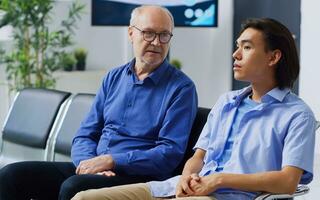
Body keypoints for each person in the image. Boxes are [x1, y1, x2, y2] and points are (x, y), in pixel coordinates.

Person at [72, 18, 316, 200]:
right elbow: (198, 157)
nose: (235, 54)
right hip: (181, 188)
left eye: (247, 47)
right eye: (237, 46)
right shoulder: (227, 102)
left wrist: (218, 181)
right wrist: (188, 177)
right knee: (84, 198)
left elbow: (288, 181)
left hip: (230, 196)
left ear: (273, 57)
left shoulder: (296, 115)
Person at [0, 5, 198, 200]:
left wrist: (111, 162)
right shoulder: (113, 77)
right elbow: (85, 134)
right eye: (148, 33)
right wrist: (90, 164)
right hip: (96, 167)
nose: (156, 42)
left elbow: (169, 154)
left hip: (138, 176)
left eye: (164, 35)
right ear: (131, 34)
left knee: (74, 188)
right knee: (11, 176)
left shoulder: (182, 88)